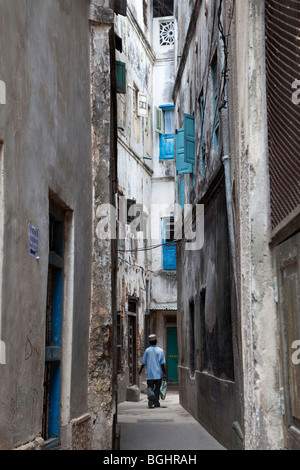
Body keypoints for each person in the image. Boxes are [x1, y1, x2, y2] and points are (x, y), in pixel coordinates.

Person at [139, 334, 166, 408]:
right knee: (157, 388)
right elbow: (162, 364)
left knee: (150, 386)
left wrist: (140, 370)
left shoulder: (147, 351)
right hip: (158, 373)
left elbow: (143, 362)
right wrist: (164, 373)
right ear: (156, 341)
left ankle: (151, 394)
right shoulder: (160, 351)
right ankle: (156, 402)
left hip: (150, 373)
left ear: (150, 342)